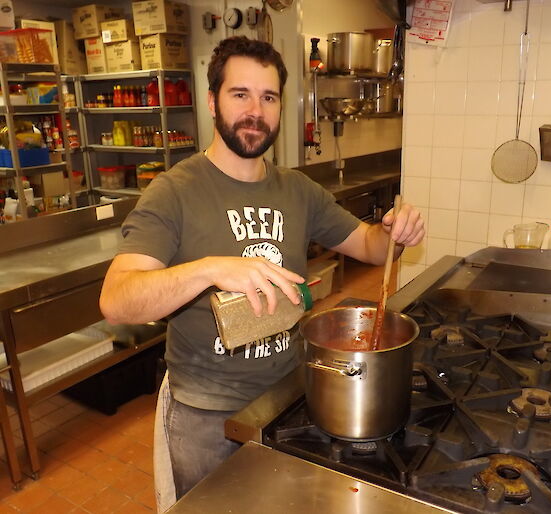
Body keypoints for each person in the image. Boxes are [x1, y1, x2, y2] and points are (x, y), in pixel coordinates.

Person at [99, 36, 425, 504]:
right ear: (213, 102)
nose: (256, 110)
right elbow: (116, 299)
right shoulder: (174, 192)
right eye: (240, 94)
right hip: (205, 414)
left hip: (286, 398)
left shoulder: (298, 190)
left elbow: (371, 246)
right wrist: (210, 269)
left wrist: (396, 229)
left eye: (268, 97)